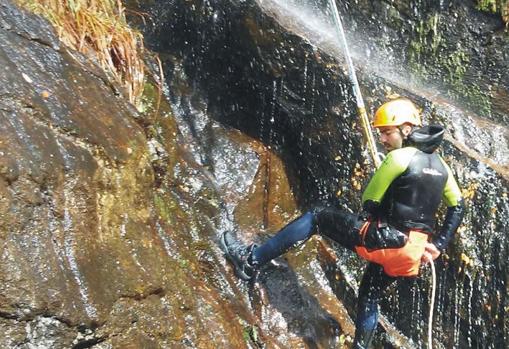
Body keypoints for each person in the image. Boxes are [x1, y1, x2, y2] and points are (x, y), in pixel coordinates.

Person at [221, 98, 465, 348]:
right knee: (369, 294)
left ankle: (250, 261)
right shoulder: (442, 167)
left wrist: (384, 182)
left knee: (317, 216)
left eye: (386, 132)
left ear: (406, 128)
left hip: (383, 241)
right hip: (410, 255)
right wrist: (439, 244)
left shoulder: (399, 158)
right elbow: (458, 206)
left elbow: (369, 201)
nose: (382, 139)